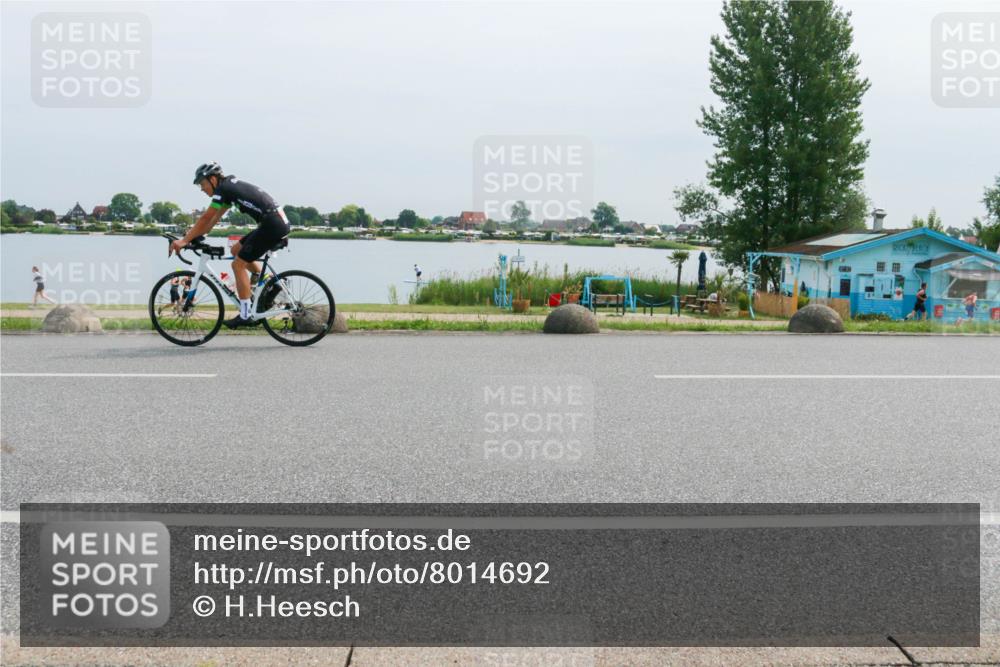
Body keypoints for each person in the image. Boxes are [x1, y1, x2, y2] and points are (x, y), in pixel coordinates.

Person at [171, 162, 289, 328]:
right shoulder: (228, 189)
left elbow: (206, 217)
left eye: (202, 184)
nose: (202, 189)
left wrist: (184, 241)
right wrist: (197, 236)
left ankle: (246, 314)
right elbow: (214, 219)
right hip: (272, 222)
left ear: (213, 179)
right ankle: (271, 283)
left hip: (272, 224)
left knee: (237, 265)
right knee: (235, 251)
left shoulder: (223, 190)